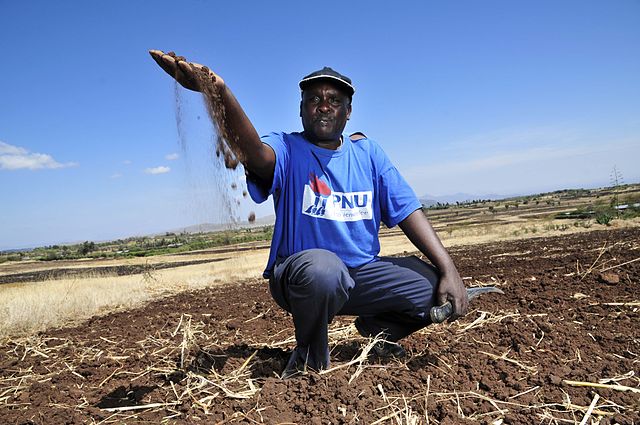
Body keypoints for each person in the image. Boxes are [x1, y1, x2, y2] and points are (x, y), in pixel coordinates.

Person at [149, 50, 469, 378]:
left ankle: (379, 332)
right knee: (324, 270)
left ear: (348, 111)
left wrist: (449, 269)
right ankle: (308, 359)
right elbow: (254, 154)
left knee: (434, 288)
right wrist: (219, 94)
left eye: (334, 99)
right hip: (304, 277)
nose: (324, 105)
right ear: (302, 110)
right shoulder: (288, 148)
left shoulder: (368, 153)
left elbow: (407, 210)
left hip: (361, 277)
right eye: (314, 99)